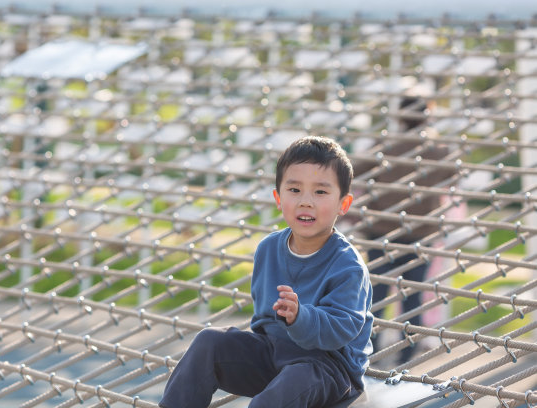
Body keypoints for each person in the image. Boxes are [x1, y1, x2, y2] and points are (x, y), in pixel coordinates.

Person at [159, 136, 373, 408]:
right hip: (275, 353)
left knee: (273, 398)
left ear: (344, 204)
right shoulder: (269, 249)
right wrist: (254, 352)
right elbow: (262, 320)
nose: (306, 201)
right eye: (294, 190)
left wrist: (300, 317)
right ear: (278, 198)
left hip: (328, 369)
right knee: (209, 342)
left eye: (320, 192)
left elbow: (343, 328)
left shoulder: (347, 265)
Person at [353, 94, 451, 364]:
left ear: (399, 116)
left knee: (377, 295)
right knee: (412, 297)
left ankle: (368, 352)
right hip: (421, 232)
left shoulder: (385, 145)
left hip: (382, 231)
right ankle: (407, 357)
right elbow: (451, 175)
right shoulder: (438, 149)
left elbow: (356, 169)